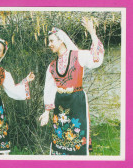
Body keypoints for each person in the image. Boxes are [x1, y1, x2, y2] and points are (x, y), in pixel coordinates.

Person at [39, 17, 104, 155]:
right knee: (60, 135)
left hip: (76, 101)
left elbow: (95, 59)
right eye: (48, 42)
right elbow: (49, 89)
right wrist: (46, 112)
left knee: (77, 133)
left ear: (61, 40)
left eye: (51, 41)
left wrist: (92, 33)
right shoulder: (51, 66)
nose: (49, 44)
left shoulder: (78, 56)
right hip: (60, 103)